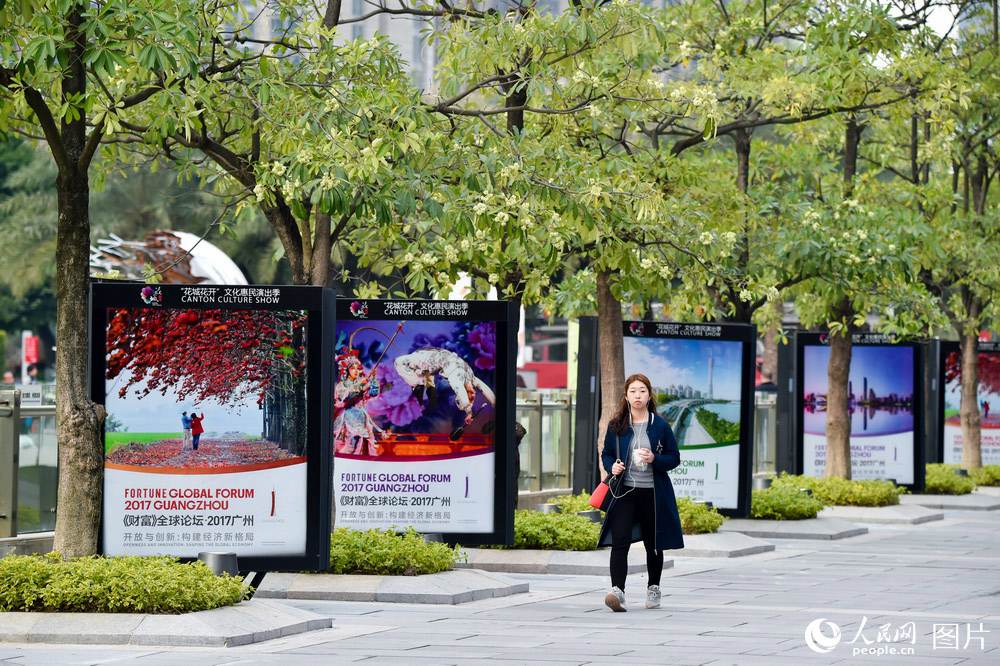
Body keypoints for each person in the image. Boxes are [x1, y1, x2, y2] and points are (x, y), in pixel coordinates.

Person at [599, 373, 684, 612]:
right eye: (633, 391)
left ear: (649, 395)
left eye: (642, 391)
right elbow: (606, 453)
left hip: (653, 494)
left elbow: (674, 457)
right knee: (620, 542)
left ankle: (654, 587)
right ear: (626, 396)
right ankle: (618, 591)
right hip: (624, 492)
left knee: (653, 543)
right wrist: (612, 466)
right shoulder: (617, 425)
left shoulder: (660, 425)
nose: (638, 395)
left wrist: (655, 458)